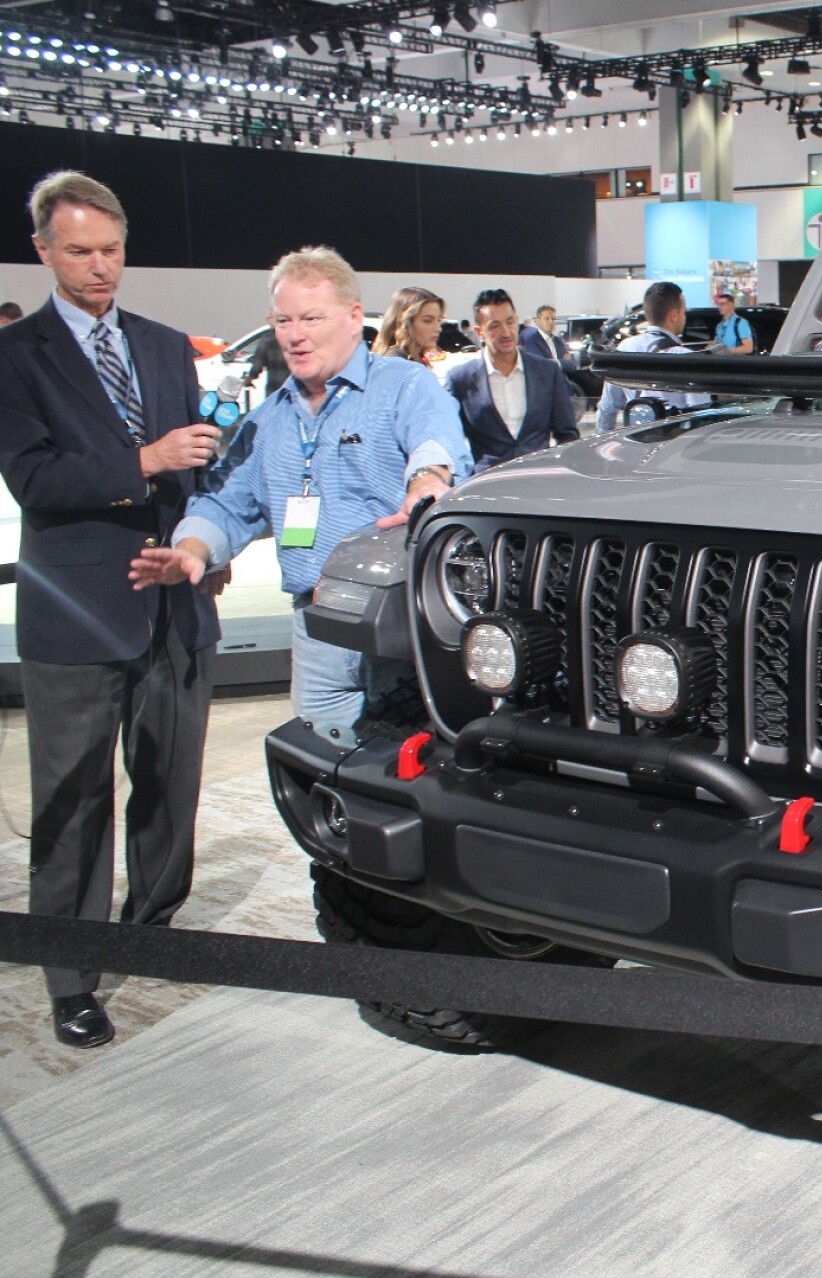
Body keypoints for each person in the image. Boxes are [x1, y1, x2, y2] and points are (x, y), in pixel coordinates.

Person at [0, 170, 223, 1049]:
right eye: (80, 251)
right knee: (74, 802)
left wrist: (202, 545)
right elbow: (34, 478)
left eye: (112, 250)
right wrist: (146, 459)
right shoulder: (15, 356)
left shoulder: (166, 346)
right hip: (77, 614)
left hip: (175, 605)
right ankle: (72, 976)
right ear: (43, 252)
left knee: (169, 788)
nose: (100, 267)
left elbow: (200, 468)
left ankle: (152, 929)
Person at [130, 246, 472, 737]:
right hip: (317, 632)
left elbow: (434, 444)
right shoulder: (267, 420)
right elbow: (225, 501)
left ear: (353, 317)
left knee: (421, 765)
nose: (294, 334)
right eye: (283, 320)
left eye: (311, 318)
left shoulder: (404, 385)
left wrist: (426, 483)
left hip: (405, 624)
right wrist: (192, 548)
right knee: (326, 769)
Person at [449, 288, 578, 472]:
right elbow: (450, 442)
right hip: (487, 482)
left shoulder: (548, 372)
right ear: (479, 332)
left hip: (538, 479)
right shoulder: (461, 380)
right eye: (494, 326)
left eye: (510, 322)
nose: (506, 332)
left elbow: (568, 435)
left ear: (517, 321)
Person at [595, 281, 713, 429]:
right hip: (674, 440)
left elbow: (607, 408)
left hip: (635, 437)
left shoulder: (624, 348)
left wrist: (602, 440)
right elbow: (700, 414)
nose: (684, 317)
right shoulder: (685, 358)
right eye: (683, 312)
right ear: (674, 315)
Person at [370, 286, 445, 368]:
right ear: (405, 322)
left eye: (439, 320)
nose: (438, 329)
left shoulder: (412, 358)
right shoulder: (395, 363)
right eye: (427, 321)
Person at [519, 304, 576, 370]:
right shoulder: (532, 342)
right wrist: (562, 362)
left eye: (553, 319)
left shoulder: (558, 340)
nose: (551, 322)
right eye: (547, 319)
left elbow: (573, 364)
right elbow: (541, 365)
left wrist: (552, 362)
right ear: (538, 321)